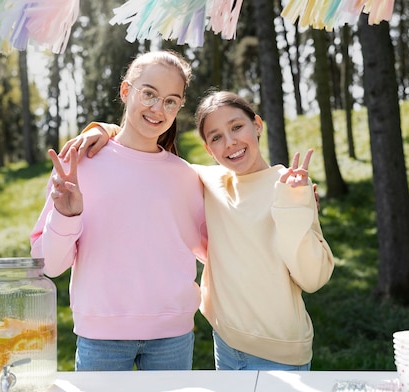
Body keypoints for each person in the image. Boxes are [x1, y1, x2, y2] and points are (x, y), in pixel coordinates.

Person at [63, 91, 334, 371]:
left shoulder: (291, 186)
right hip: (226, 346)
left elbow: (313, 278)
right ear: (209, 149)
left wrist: (294, 208)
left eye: (237, 127)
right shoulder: (207, 180)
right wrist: (106, 130)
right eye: (216, 137)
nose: (230, 143)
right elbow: (144, 152)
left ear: (257, 125)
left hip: (281, 354)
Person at [30, 50, 207, 372]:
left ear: (180, 106)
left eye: (170, 101)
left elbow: (215, 249)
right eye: (149, 94)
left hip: (173, 336)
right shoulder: (79, 164)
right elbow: (50, 266)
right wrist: (66, 216)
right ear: (126, 91)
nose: (158, 109)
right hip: (101, 338)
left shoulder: (186, 176)